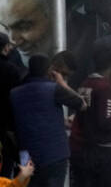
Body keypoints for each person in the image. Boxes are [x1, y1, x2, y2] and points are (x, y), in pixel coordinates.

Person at [10, 54, 84, 187]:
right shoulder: (53, 89)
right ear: (49, 70)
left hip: (26, 157)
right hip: (54, 156)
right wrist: (61, 83)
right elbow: (81, 104)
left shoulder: (14, 93)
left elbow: (22, 121)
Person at [69, 44, 111, 187]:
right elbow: (106, 120)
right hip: (103, 152)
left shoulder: (85, 83)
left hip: (84, 147)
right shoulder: (104, 88)